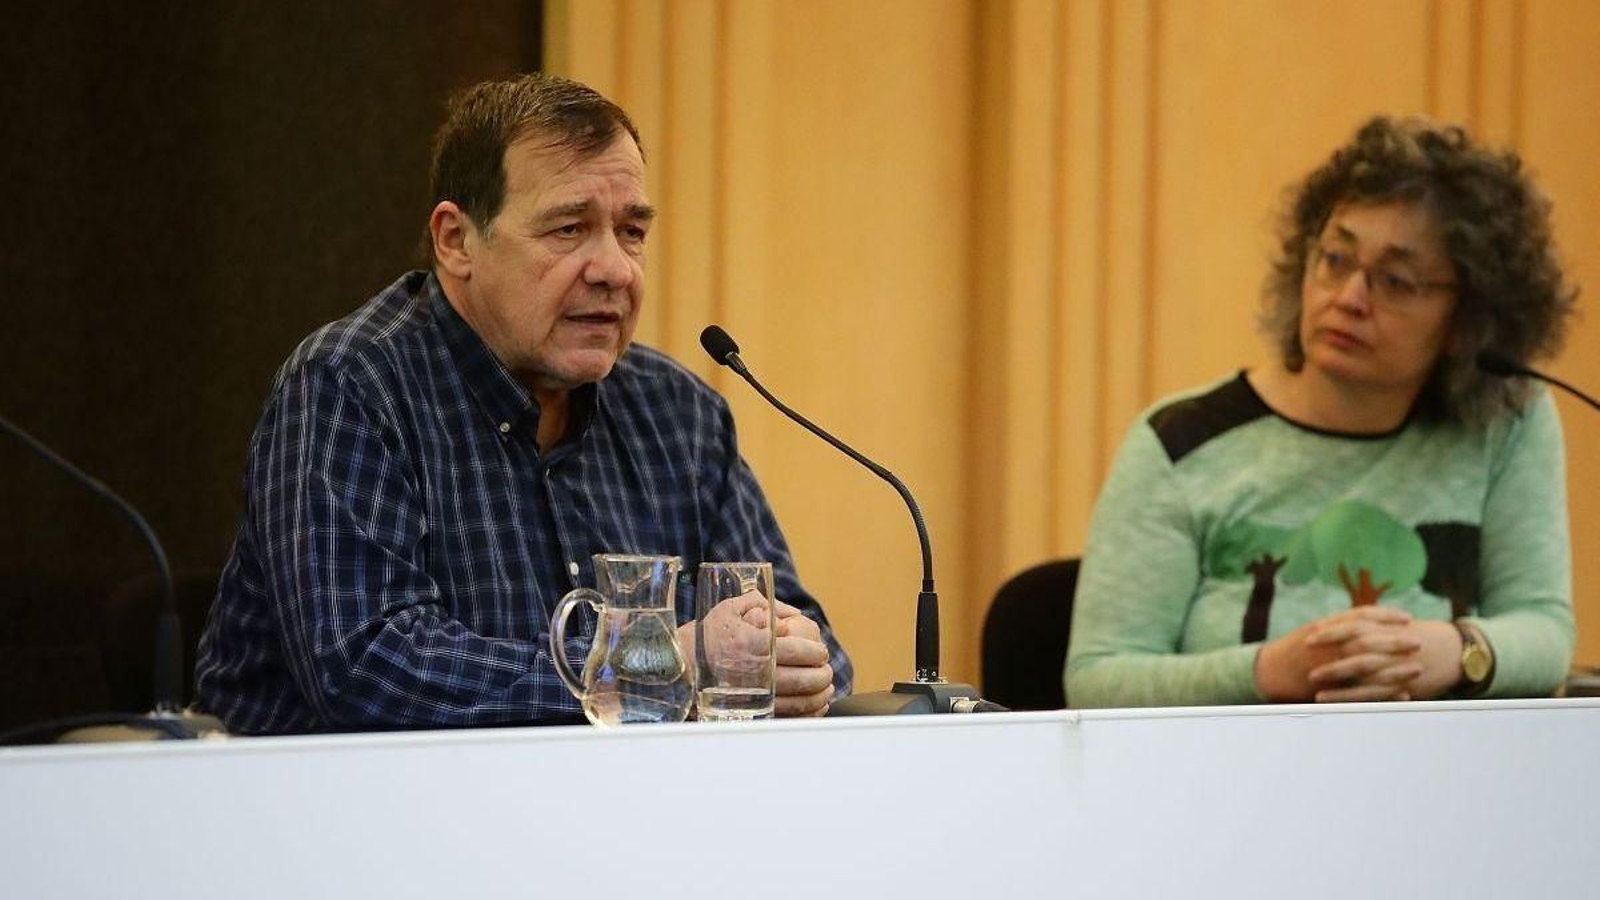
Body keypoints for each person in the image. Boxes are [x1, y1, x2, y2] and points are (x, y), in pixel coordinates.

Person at [195, 73, 852, 733]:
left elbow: (803, 636)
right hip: (349, 818)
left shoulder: (680, 415)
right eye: (569, 229)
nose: (616, 270)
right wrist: (649, 668)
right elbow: (367, 664)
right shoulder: (349, 389)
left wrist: (791, 659)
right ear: (456, 242)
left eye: (632, 231)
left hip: (622, 817)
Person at [1065, 116, 1577, 708]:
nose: (1349, 298)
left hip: (1441, 784)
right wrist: (1269, 672)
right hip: (1227, 787)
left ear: (1467, 322)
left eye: (1397, 281)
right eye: (1335, 258)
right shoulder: (1181, 441)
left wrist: (1453, 651)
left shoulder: (1505, 427)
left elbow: (1544, 628)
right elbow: (1098, 679)